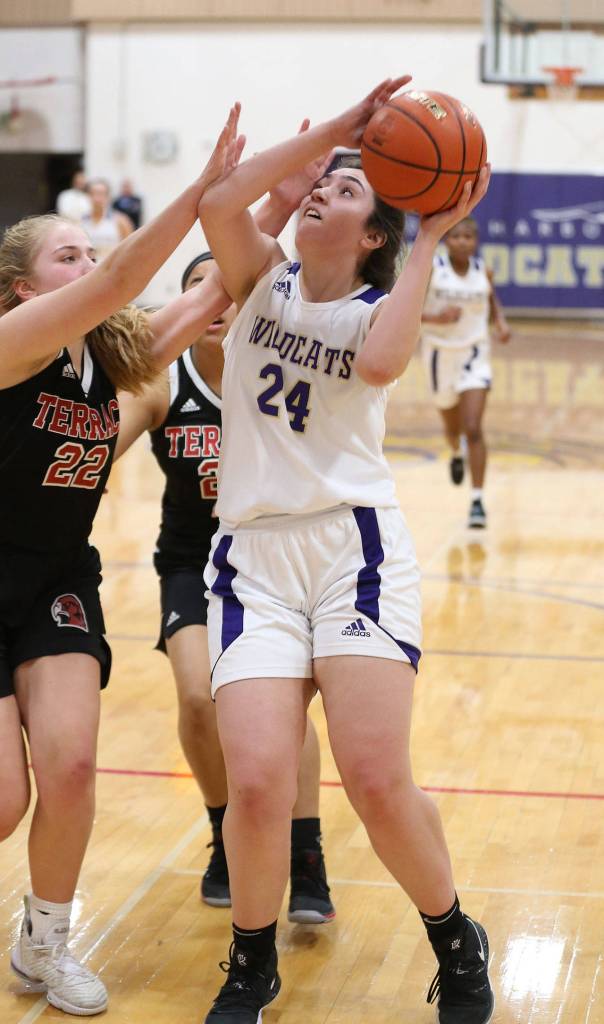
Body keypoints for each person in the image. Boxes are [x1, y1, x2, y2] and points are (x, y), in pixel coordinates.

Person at [198, 79, 494, 1024]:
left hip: (351, 551)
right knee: (255, 781)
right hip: (253, 560)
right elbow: (215, 203)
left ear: (374, 236)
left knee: (372, 778)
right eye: (326, 182)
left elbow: (382, 363)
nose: (326, 189)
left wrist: (434, 235)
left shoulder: (375, 309)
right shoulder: (257, 278)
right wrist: (338, 136)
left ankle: (454, 937)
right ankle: (251, 964)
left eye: (352, 190)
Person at [0, 106, 246, 1018]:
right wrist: (198, 189)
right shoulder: (10, 349)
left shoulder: (110, 359)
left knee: (68, 768)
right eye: (67, 257)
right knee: (3, 804)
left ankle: (45, 941)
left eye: (87, 251)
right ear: (24, 293)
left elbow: (210, 291)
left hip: (58, 580)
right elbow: (124, 277)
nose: (89, 262)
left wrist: (278, 196)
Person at [115, 249, 335, 923]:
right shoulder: (160, 382)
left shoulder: (281, 377)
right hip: (192, 557)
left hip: (274, 561)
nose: (212, 305)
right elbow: (95, 454)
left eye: (224, 291)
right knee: (198, 699)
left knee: (282, 712)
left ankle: (305, 852)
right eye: (196, 293)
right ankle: (222, 833)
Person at [420, 216, 511, 528]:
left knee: (473, 427)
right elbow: (407, 309)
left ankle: (476, 501)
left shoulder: (482, 270)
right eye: (456, 236)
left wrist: (500, 321)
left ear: (476, 241)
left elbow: (491, 299)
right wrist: (436, 317)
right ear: (446, 240)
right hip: (439, 354)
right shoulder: (434, 269)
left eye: (468, 237)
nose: (462, 242)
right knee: (452, 426)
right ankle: (454, 451)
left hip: (475, 351)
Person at [81, 179, 133, 262]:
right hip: (89, 271)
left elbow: (130, 250)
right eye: (93, 194)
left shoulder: (121, 221)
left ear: (108, 197)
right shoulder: (80, 222)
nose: (97, 198)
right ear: (88, 196)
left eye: (100, 194)